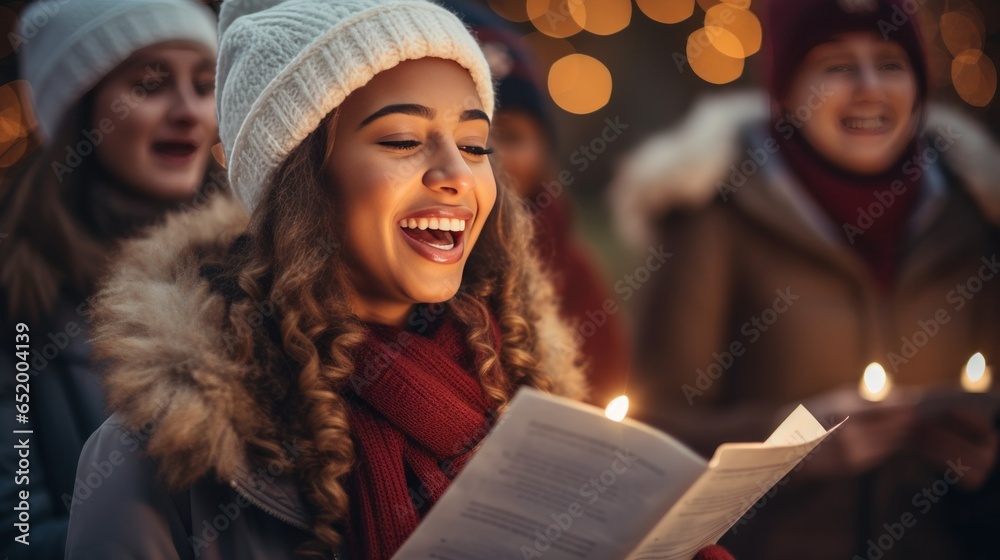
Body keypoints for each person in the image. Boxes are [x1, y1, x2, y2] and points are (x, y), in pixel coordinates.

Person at [611, 0, 1000, 558]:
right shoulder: (714, 217)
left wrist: (987, 472)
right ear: (787, 89)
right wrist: (785, 445)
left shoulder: (976, 216)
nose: (869, 87)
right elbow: (651, 435)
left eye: (890, 62)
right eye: (837, 65)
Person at [0, 1, 220, 557]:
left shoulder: (263, 259)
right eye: (150, 85)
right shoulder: (18, 301)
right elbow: (17, 526)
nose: (189, 111)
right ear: (80, 108)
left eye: (204, 84)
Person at [438, 0, 632, 406]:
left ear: (545, 153)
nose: (483, 157)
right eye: (469, 135)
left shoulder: (573, 276)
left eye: (508, 135)